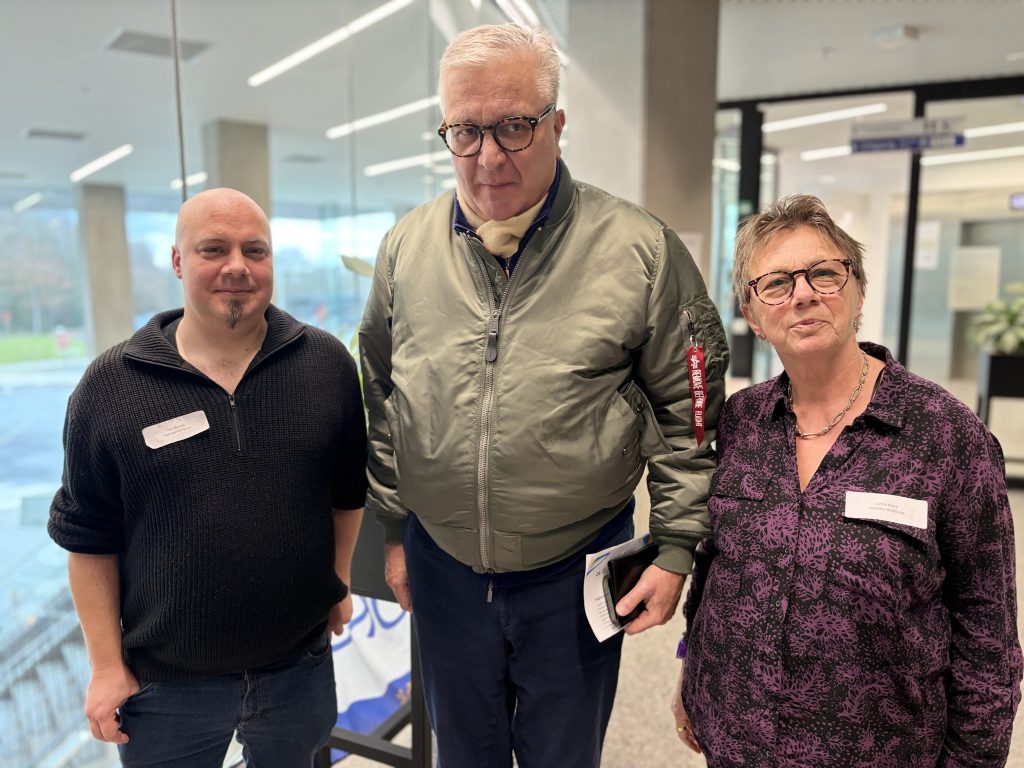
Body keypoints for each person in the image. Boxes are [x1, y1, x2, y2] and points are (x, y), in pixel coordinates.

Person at [359, 23, 728, 767]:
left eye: (514, 126)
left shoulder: (640, 250)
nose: (489, 157)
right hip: (443, 566)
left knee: (563, 755)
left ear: (557, 126)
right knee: (463, 755)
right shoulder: (406, 249)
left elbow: (689, 411)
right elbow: (383, 394)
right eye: (466, 131)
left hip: (576, 568)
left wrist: (676, 547)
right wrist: (394, 531)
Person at [672, 194, 1023, 766]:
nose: (803, 294)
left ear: (858, 289)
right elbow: (714, 566)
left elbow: (988, 633)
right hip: (736, 739)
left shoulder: (946, 435)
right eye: (776, 283)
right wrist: (691, 670)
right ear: (754, 316)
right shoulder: (741, 422)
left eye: (824, 273)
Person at [48, 188, 368, 767]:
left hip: (297, 670)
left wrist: (338, 581)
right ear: (178, 261)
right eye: (213, 249)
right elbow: (88, 538)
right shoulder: (110, 387)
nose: (237, 267)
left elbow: (346, 492)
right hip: (167, 686)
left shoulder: (325, 366)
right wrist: (105, 666)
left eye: (255, 250)